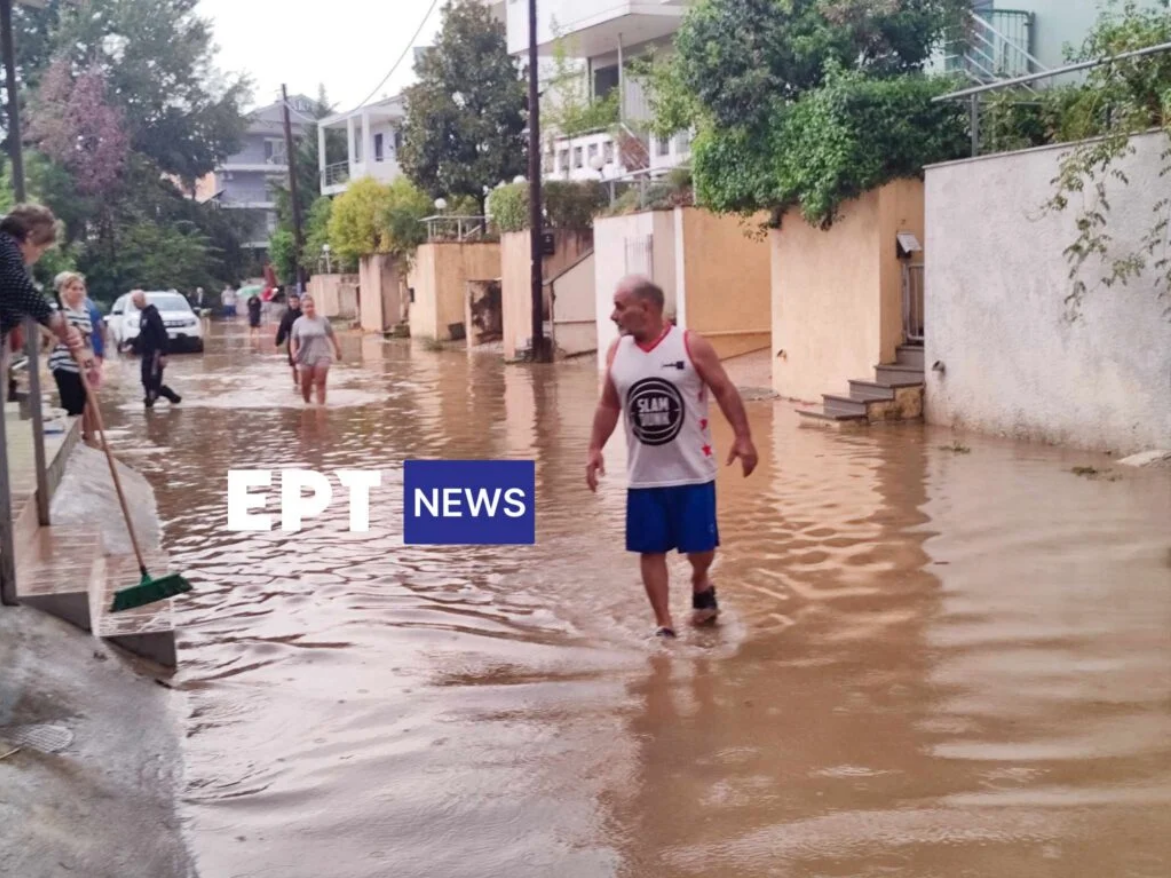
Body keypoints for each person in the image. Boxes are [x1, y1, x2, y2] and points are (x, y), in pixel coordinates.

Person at [586, 276, 758, 639]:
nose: (612, 315)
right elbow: (608, 404)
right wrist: (594, 448)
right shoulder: (617, 351)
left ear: (645, 307)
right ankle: (663, 623)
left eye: (619, 306)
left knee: (701, 548)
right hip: (644, 476)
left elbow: (724, 390)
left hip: (693, 471)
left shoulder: (689, 344)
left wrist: (743, 437)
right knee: (650, 550)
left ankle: (700, 579)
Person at [0, 204, 83, 385]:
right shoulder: (6, 245)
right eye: (42, 248)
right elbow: (15, 282)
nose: (39, 255)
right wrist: (52, 319)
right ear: (29, 237)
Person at [48, 272, 98, 443]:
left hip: (81, 364)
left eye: (81, 289)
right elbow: (57, 333)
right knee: (71, 404)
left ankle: (81, 439)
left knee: (81, 404)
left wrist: (93, 362)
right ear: (65, 291)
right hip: (63, 364)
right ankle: (72, 440)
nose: (78, 292)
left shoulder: (84, 310)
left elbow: (87, 336)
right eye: (74, 289)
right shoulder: (60, 311)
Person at [130, 289, 181, 408]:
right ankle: (163, 398)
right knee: (145, 379)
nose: (134, 304)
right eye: (133, 301)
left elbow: (162, 333)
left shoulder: (153, 314)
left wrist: (164, 354)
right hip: (146, 354)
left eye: (136, 301)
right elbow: (143, 333)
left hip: (156, 354)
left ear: (143, 300)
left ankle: (153, 401)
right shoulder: (143, 314)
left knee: (153, 380)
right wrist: (132, 344)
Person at [289, 294, 341, 405]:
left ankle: (321, 408)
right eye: (306, 307)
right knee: (305, 384)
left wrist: (338, 350)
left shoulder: (323, 320)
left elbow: (331, 335)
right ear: (302, 308)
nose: (309, 309)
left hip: (322, 355)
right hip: (304, 356)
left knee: (321, 382)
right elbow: (293, 339)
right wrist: (293, 353)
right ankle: (307, 405)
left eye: (311, 306)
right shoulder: (298, 323)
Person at [274, 291, 303, 386]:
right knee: (294, 365)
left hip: (304, 341)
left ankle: (306, 383)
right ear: (289, 303)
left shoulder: (303, 314)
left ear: (299, 302)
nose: (293, 303)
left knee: (305, 364)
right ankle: (296, 385)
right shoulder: (286, 316)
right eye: (291, 302)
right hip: (291, 342)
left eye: (295, 301)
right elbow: (282, 329)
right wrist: (277, 343)